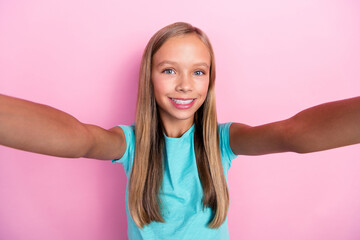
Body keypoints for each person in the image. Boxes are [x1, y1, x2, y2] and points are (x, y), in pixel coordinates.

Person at [0, 22, 359, 239]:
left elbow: (292, 134)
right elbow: (79, 138)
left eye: (198, 71)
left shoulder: (224, 141)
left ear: (210, 79)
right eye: (170, 70)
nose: (185, 85)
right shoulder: (129, 144)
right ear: (149, 78)